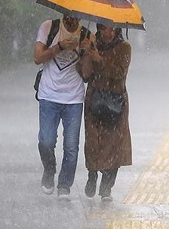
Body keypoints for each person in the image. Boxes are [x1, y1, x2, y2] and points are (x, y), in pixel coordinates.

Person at [33, 15, 93, 200]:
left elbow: (87, 75)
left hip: (73, 98)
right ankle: (49, 169)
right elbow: (37, 58)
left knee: (71, 146)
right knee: (46, 141)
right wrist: (59, 46)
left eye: (76, 17)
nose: (73, 21)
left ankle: (65, 185)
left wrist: (86, 52)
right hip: (49, 95)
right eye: (69, 16)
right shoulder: (49, 27)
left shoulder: (86, 34)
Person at [77, 23, 132, 202]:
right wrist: (85, 54)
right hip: (95, 99)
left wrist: (98, 58)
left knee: (115, 145)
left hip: (116, 100)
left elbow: (118, 73)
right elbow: (84, 75)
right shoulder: (92, 42)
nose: (106, 32)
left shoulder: (124, 47)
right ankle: (92, 174)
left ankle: (107, 187)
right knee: (93, 141)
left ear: (116, 30)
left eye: (110, 28)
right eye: (102, 28)